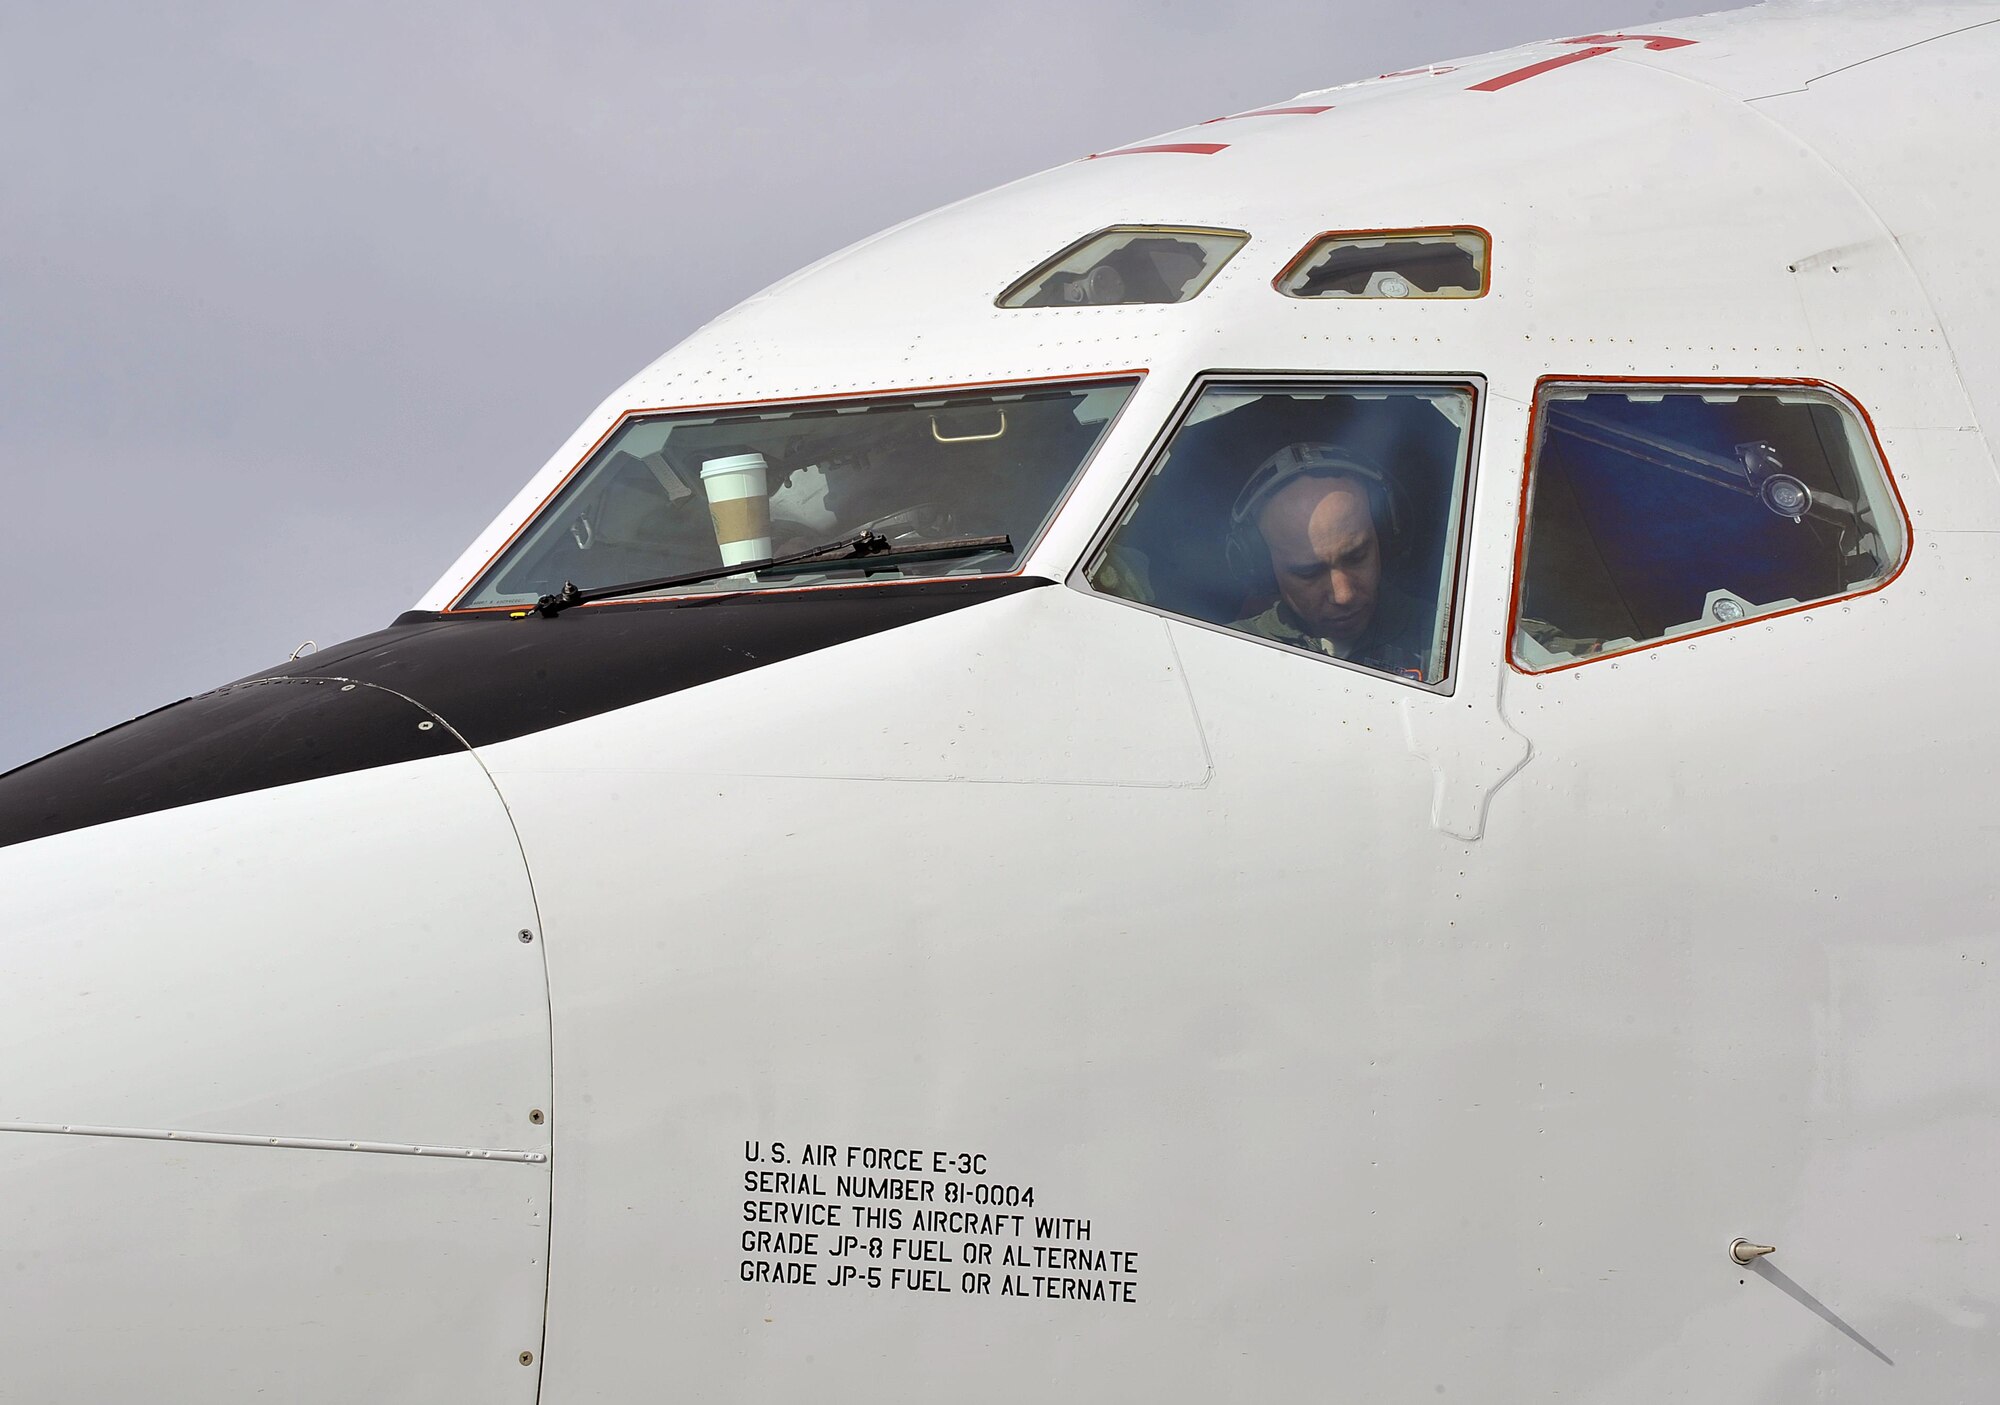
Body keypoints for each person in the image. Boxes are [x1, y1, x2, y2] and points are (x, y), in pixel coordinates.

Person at [1228, 443, 1433, 679]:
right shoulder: (1226, 654)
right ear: (1265, 569)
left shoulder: (1442, 639)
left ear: (1384, 537)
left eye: (1356, 557)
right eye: (1308, 573)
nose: (1344, 595)